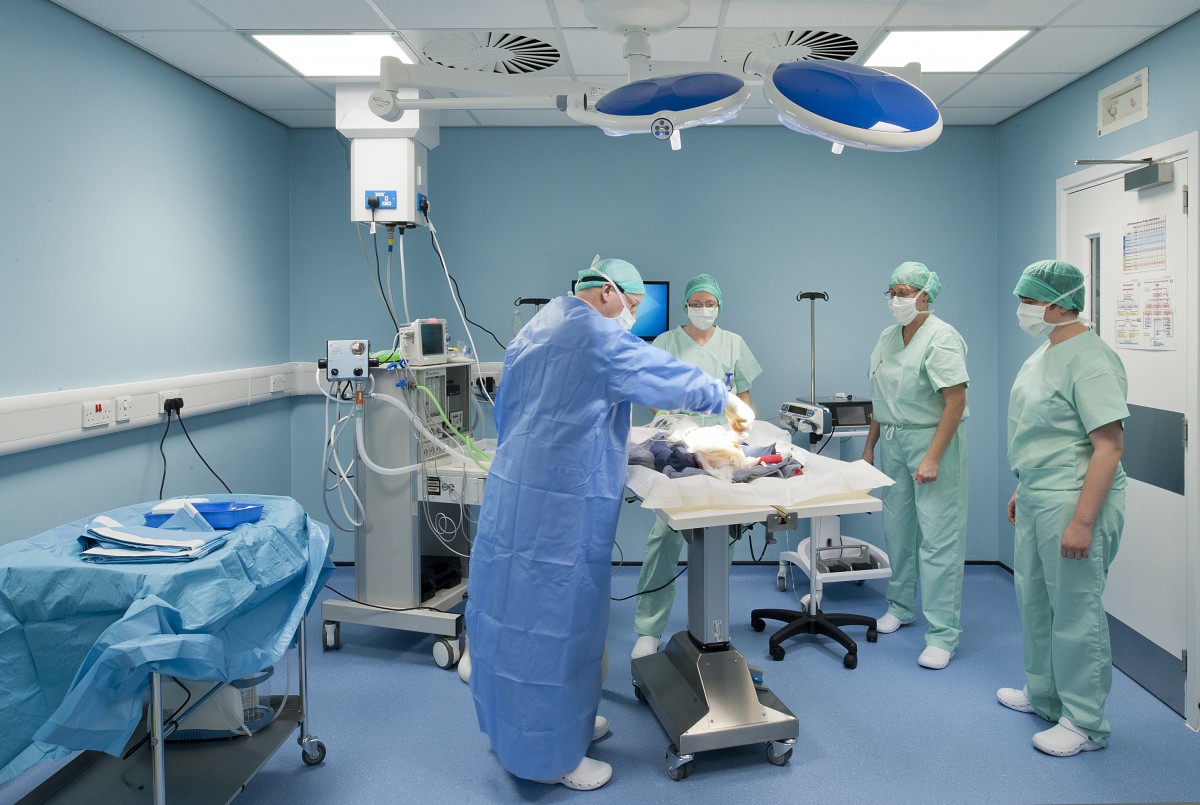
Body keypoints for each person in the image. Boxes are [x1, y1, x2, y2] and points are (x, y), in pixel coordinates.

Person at [466, 258, 754, 791]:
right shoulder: (594, 336)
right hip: (559, 506)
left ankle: (555, 726)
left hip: (518, 492)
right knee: (554, 623)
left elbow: (513, 409)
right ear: (606, 293)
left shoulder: (541, 326)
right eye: (632, 304)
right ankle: (550, 758)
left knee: (515, 617)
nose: (631, 315)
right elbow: (660, 376)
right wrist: (725, 398)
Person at [999, 259, 1127, 757]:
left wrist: (1082, 521)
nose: (1023, 309)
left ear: (1061, 304)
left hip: (1074, 498)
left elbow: (1108, 447)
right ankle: (1045, 694)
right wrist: (1023, 485)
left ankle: (1085, 722)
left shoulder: (1091, 359)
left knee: (1075, 609)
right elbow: (1041, 431)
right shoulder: (1047, 351)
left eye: (1031, 300)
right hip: (1038, 493)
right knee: (1034, 599)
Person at [630, 273, 763, 660]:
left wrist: (741, 428)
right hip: (679, 440)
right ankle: (649, 627)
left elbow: (743, 394)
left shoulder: (733, 343)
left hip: (721, 443)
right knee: (665, 534)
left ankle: (712, 623)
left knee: (723, 533)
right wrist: (673, 419)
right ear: (685, 305)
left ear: (719, 306)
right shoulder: (666, 342)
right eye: (696, 303)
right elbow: (649, 389)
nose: (703, 309)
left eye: (710, 303)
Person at [861, 261, 969, 670]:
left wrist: (933, 457)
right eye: (892, 292)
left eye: (904, 293)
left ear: (926, 295)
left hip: (931, 439)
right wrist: (869, 448)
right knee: (898, 528)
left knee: (939, 536)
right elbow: (880, 399)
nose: (896, 299)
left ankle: (943, 634)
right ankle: (900, 605)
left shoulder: (942, 338)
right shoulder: (888, 337)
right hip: (892, 439)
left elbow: (955, 402)